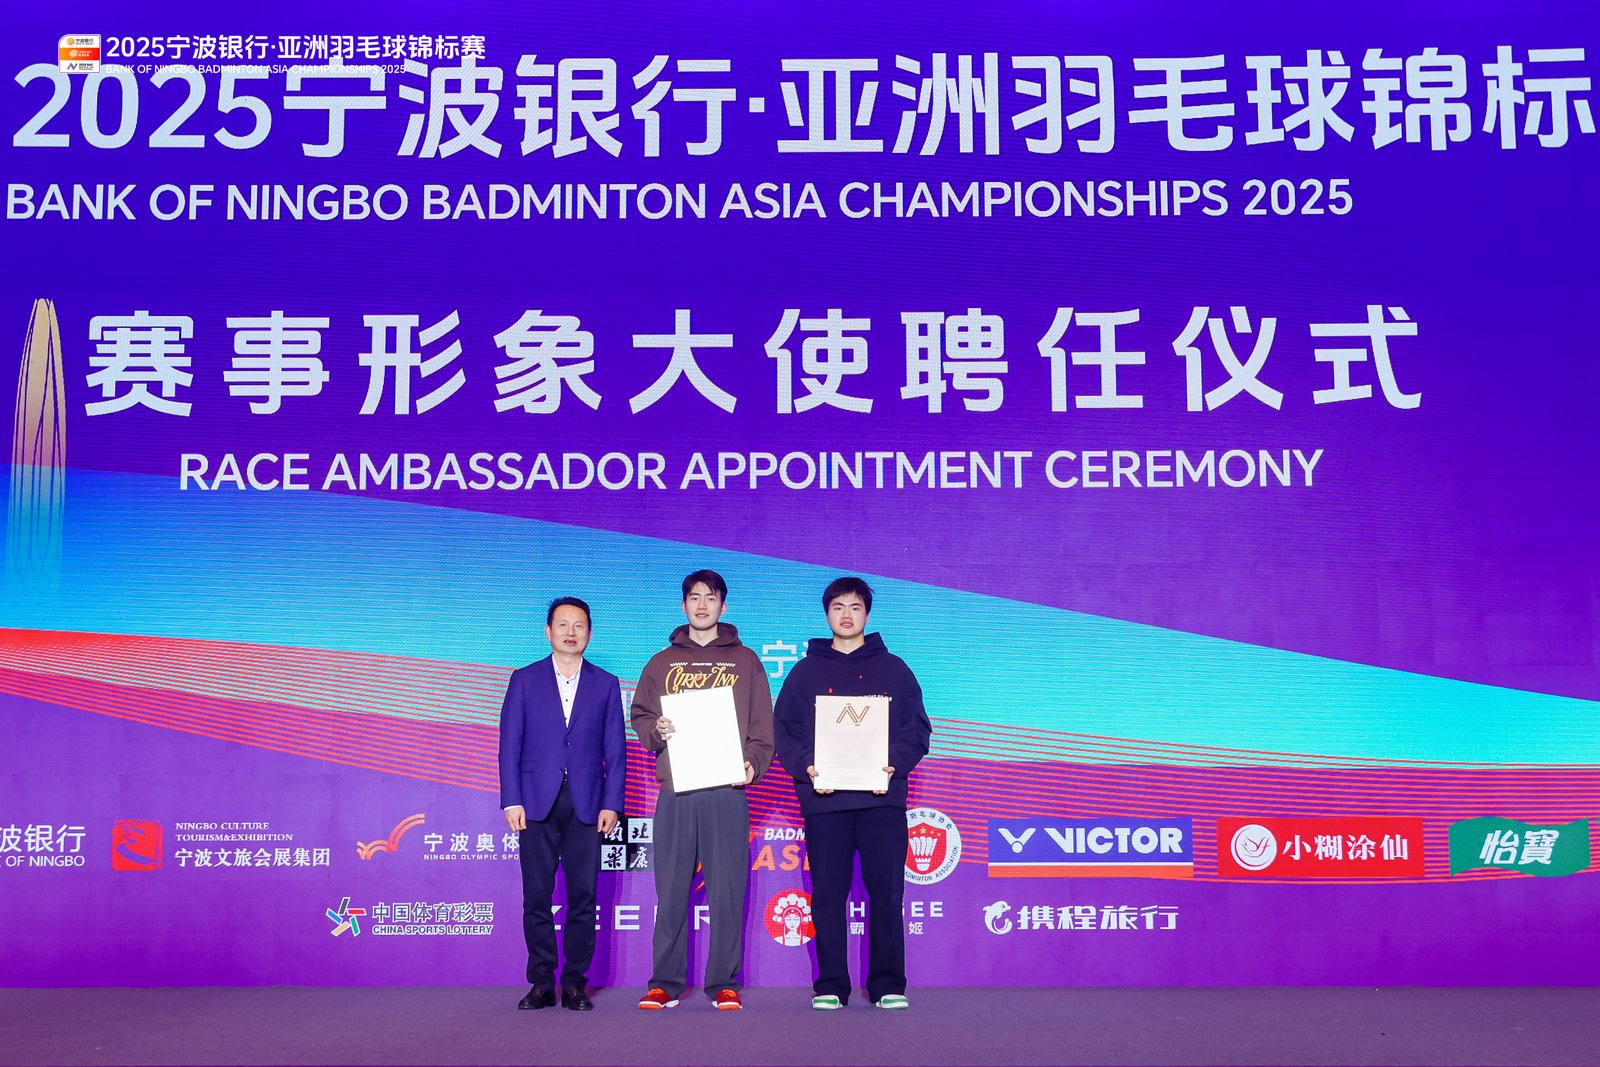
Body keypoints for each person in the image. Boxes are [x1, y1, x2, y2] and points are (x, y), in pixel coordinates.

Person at [773, 577, 931, 1011]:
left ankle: (887, 984)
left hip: (882, 799)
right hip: (826, 801)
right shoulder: (805, 672)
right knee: (827, 896)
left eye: (855, 607)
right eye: (838, 607)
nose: (846, 615)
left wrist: (892, 763)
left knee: (887, 894)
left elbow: (917, 729)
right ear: (827, 614)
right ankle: (830, 985)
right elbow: (784, 731)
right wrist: (809, 766)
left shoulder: (894, 669)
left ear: (867, 614)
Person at [631, 569, 774, 1011]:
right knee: (671, 890)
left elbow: (761, 727)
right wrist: (656, 728)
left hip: (726, 791)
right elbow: (640, 715)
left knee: (727, 891)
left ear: (723, 606)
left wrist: (752, 763)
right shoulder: (661, 662)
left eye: (710, 598)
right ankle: (664, 983)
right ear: (683, 605)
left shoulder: (745, 661)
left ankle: (724, 982)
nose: (702, 605)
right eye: (694, 597)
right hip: (677, 789)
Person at [497, 597, 626, 1012]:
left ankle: (574, 984)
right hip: (535, 803)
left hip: (588, 804)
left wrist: (612, 803)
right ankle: (540, 982)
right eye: (563, 624)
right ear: (548, 631)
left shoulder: (606, 683)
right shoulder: (524, 679)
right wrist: (511, 800)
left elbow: (616, 750)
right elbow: (509, 744)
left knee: (583, 898)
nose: (571, 632)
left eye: (579, 625)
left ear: (590, 633)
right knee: (536, 897)